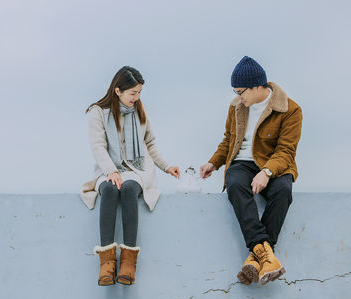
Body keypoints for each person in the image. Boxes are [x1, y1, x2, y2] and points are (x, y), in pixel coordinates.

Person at [200, 56, 302, 285]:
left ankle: (255, 259)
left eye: (240, 91)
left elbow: (286, 151)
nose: (238, 97)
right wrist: (213, 163)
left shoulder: (290, 110)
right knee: (235, 184)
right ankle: (265, 255)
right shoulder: (237, 107)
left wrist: (266, 172)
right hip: (242, 163)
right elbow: (229, 140)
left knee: (283, 190)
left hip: (275, 163)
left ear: (258, 86)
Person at [80, 66, 180, 286]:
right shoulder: (97, 112)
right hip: (108, 168)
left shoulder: (140, 111)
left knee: (128, 189)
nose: (136, 98)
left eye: (139, 93)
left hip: (137, 169)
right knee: (108, 189)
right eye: (132, 93)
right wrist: (111, 171)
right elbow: (98, 146)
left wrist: (167, 166)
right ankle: (106, 263)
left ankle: (128, 263)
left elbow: (150, 143)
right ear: (117, 91)